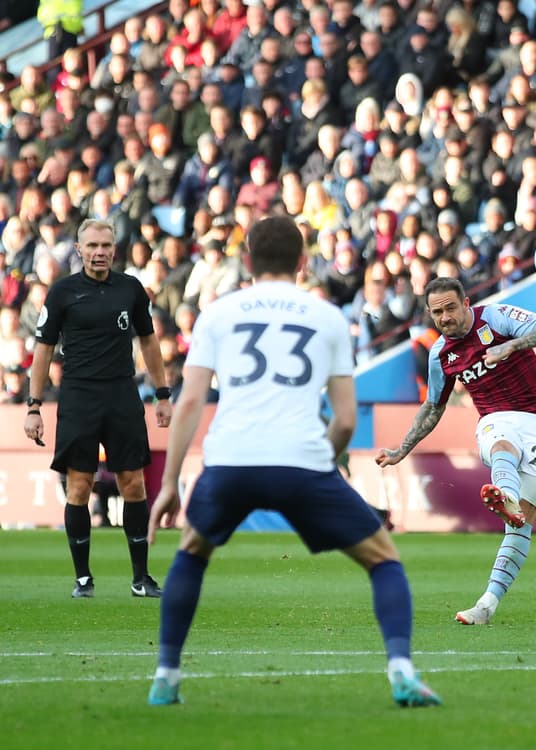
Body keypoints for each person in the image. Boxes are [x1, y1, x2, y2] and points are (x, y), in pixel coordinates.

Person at [145, 216, 440, 708]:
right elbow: (345, 419)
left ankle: (166, 677)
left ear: (247, 261)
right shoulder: (327, 317)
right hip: (302, 461)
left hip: (231, 460)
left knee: (191, 553)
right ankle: (402, 672)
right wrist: (318, 460)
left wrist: (171, 482)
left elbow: (190, 401)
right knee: (384, 559)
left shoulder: (218, 313)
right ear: (303, 263)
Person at [375, 277, 536, 625]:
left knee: (521, 525)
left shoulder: (495, 318)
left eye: (451, 308)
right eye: (437, 312)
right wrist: (402, 449)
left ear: (466, 304)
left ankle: (487, 605)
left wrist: (513, 346)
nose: (445, 317)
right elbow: (433, 406)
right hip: (495, 418)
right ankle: (506, 496)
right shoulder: (440, 354)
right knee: (501, 444)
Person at [24, 220, 171, 599]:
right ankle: (83, 579)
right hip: (79, 397)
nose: (99, 252)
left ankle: (141, 578)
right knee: (79, 484)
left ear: (114, 249)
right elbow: (43, 350)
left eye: (106, 245)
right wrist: (34, 406)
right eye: (92, 246)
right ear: (79, 249)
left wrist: (162, 394)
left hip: (122, 394)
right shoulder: (62, 292)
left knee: (133, 482)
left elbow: (149, 342)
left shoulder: (130, 289)